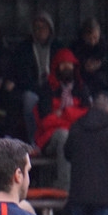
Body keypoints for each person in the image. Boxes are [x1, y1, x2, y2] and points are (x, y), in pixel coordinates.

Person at [34, 49, 90, 192]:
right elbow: (46, 121)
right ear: (56, 67)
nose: (66, 68)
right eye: (62, 64)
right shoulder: (47, 89)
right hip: (49, 139)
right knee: (64, 135)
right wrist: (72, 119)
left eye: (69, 64)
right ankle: (64, 186)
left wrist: (65, 113)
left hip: (77, 134)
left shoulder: (82, 88)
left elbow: (88, 116)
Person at [13, 12, 61, 143]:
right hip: (34, 88)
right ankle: (34, 141)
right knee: (29, 100)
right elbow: (22, 75)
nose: (40, 31)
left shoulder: (58, 47)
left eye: (44, 27)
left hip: (53, 89)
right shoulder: (25, 48)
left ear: (50, 29)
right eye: (37, 27)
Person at [70, 17, 108, 125]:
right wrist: (83, 68)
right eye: (89, 38)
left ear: (99, 34)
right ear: (83, 37)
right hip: (81, 88)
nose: (92, 42)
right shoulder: (76, 49)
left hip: (105, 87)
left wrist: (104, 79)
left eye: (95, 38)